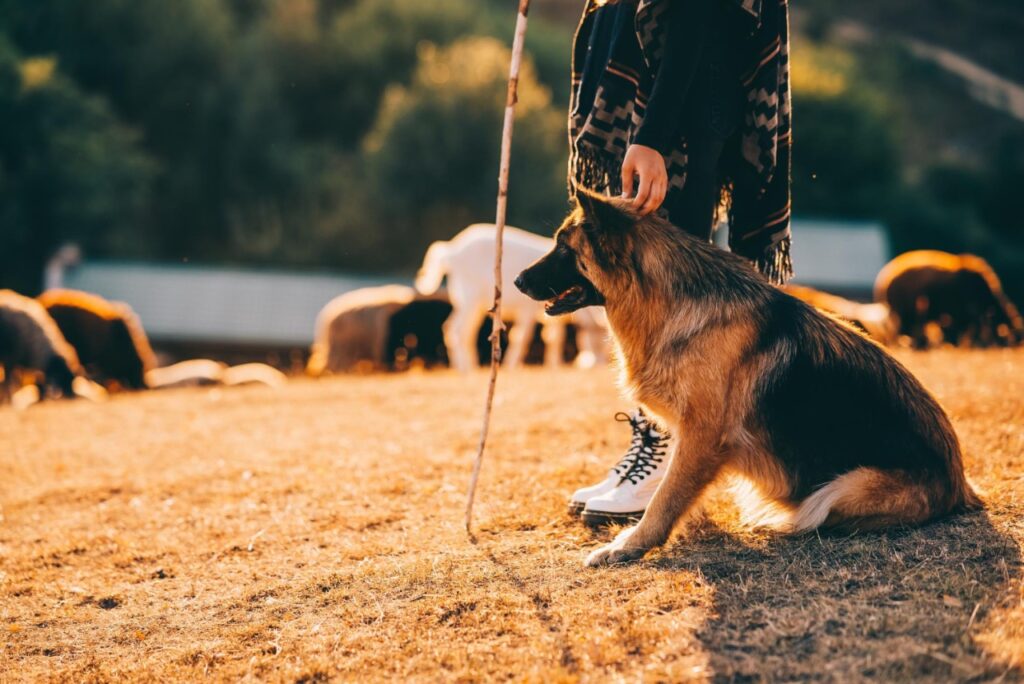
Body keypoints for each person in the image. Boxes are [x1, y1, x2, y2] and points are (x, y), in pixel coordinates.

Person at [566, 0, 794, 527]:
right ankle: (651, 450)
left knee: (669, 301)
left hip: (683, 115)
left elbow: (696, 15)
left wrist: (652, 137)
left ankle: (664, 462)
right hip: (664, 111)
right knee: (638, 293)